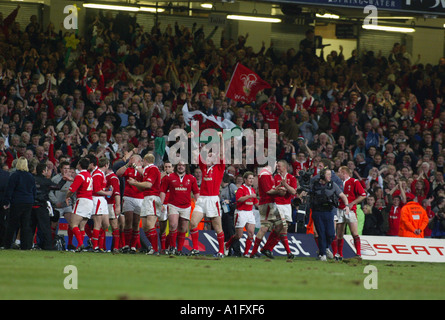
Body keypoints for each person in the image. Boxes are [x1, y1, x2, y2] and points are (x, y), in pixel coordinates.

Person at [189, 132, 226, 257]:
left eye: (211, 155)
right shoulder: (203, 166)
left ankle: (221, 251)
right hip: (202, 199)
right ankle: (195, 248)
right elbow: (195, 152)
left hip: (213, 200)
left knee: (217, 227)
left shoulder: (220, 167)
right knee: (193, 223)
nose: (209, 156)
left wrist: (221, 139)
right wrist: (193, 139)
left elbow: (222, 153)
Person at [309, 168, 349, 261]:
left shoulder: (333, 185)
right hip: (317, 212)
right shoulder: (314, 184)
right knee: (321, 233)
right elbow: (307, 193)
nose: (330, 177)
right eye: (328, 175)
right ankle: (322, 254)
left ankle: (325, 248)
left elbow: (342, 195)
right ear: (322, 175)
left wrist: (346, 205)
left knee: (331, 233)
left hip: (329, 211)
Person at [160, 161, 199, 255]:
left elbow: (196, 192)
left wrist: (198, 204)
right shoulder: (169, 177)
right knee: (173, 225)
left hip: (186, 206)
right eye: (179, 165)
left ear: (186, 167)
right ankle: (172, 247)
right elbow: (163, 191)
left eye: (183, 165)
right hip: (173, 205)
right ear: (176, 166)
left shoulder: (191, 178)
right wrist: (161, 204)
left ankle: (179, 250)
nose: (181, 167)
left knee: (183, 228)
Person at [128, 153, 162, 255]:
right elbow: (142, 185)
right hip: (146, 199)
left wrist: (134, 183)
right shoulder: (147, 170)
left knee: (150, 225)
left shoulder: (153, 169)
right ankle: (154, 247)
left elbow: (148, 184)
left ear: (144, 161)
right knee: (145, 227)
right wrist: (136, 182)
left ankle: (156, 249)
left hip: (152, 198)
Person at [32, 162, 72, 250]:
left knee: (30, 227)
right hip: (42, 206)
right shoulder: (47, 181)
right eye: (47, 170)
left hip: (31, 206)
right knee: (45, 228)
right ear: (43, 171)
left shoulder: (31, 179)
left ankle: (27, 245)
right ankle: (48, 246)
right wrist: (64, 180)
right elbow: (57, 187)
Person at [3, 157, 36, 250]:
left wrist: (6, 202)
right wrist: (32, 200)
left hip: (17, 202)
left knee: (12, 224)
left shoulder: (14, 175)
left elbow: (10, 190)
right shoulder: (30, 176)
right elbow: (34, 191)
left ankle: (7, 244)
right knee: (25, 225)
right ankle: (25, 246)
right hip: (28, 202)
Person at [224, 171, 258, 258]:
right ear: (245, 179)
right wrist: (249, 196)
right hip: (241, 212)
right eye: (249, 178)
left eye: (252, 179)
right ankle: (227, 244)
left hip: (250, 212)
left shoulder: (252, 190)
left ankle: (246, 253)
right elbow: (238, 199)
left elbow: (256, 202)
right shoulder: (241, 189)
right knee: (239, 235)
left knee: (251, 233)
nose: (251, 180)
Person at [336, 166, 366, 260]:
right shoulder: (338, 183)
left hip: (351, 210)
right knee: (340, 233)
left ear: (344, 172)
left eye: (339, 172)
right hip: (340, 209)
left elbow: (363, 195)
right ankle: (340, 254)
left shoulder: (354, 181)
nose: (338, 174)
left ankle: (358, 254)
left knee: (354, 232)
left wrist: (353, 203)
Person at [116, 154, 144, 253]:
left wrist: (137, 167)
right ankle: (127, 245)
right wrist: (128, 164)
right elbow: (118, 173)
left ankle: (133, 246)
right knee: (128, 221)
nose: (131, 161)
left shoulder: (142, 170)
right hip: (128, 197)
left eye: (133, 160)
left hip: (140, 198)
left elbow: (146, 175)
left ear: (139, 161)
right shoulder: (129, 169)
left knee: (136, 223)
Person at [65, 157, 94, 252]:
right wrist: (72, 180)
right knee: (82, 227)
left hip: (82, 201)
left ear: (79, 165)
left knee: (73, 224)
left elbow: (71, 190)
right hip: (90, 202)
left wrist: (67, 196)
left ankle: (81, 244)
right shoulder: (88, 175)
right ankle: (79, 247)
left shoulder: (80, 175)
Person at [90, 156, 113, 252]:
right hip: (97, 200)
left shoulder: (101, 174)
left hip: (102, 200)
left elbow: (100, 188)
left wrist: (107, 189)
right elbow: (96, 190)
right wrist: (107, 193)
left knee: (106, 225)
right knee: (98, 224)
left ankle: (94, 241)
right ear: (106, 164)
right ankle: (95, 246)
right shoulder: (97, 174)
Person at [49, 161, 74, 249]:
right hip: (57, 206)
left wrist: (73, 202)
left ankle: (70, 243)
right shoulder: (55, 179)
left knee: (72, 224)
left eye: (68, 168)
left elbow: (74, 192)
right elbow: (50, 192)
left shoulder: (71, 179)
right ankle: (51, 244)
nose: (67, 170)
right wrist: (56, 202)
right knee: (54, 225)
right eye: (65, 168)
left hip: (67, 206)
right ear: (61, 169)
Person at [220, 173, 240, 256]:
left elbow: (238, 194)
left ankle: (237, 251)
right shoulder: (222, 189)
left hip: (231, 212)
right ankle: (228, 251)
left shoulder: (231, 186)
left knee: (231, 231)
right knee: (226, 232)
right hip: (224, 211)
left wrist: (230, 201)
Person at [106, 165, 122, 253]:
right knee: (101, 225)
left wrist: (117, 205)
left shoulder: (113, 178)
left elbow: (116, 193)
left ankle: (116, 247)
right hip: (105, 203)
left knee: (114, 225)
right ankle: (101, 247)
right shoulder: (106, 177)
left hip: (111, 204)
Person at [158, 161, 173, 254]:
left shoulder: (175, 178)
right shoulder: (161, 177)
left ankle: (168, 247)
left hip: (173, 204)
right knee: (162, 228)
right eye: (166, 167)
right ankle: (163, 248)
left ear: (173, 168)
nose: (167, 168)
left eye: (169, 166)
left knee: (173, 227)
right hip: (163, 204)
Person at [0, 159, 10, 248]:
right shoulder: (6, 175)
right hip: (3, 203)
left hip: (3, 202)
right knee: (3, 223)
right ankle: (2, 243)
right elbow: (8, 190)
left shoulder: (6, 174)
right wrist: (7, 202)